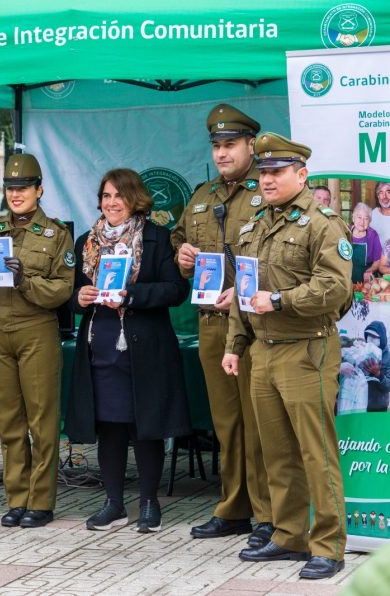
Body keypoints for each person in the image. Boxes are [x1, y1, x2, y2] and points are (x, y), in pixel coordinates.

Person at [222, 132, 352, 580]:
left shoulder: (323, 223)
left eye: (277, 172)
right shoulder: (254, 225)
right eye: (264, 173)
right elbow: (245, 288)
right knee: (276, 453)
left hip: (307, 351)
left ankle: (329, 545)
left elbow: (336, 289)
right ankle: (290, 534)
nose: (268, 180)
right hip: (263, 351)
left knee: (315, 452)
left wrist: (278, 301)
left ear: (302, 174)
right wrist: (235, 345)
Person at [65, 169, 190, 533]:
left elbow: (175, 290)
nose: (111, 203)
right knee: (110, 428)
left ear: (135, 199)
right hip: (100, 347)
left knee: (145, 427)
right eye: (106, 196)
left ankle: (150, 504)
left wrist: (132, 295)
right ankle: (114, 503)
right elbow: (72, 296)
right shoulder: (86, 243)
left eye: (119, 196)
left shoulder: (156, 238)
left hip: (143, 348)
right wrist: (80, 298)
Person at [171, 104, 273, 547]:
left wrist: (251, 293)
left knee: (261, 421)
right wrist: (182, 255)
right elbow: (179, 239)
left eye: (230, 144)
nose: (222, 153)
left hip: (255, 325)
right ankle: (234, 508)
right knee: (227, 423)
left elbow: (282, 256)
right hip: (213, 325)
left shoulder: (268, 192)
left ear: (251, 145)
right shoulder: (201, 197)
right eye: (216, 146)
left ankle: (270, 514)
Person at [0, 153, 74, 528]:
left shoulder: (56, 234)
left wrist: (26, 280)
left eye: (23, 187)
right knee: (9, 420)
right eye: (10, 188)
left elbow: (62, 290)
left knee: (41, 420)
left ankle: (40, 501)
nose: (16, 194)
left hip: (35, 329)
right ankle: (17, 497)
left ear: (39, 190)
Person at [349, 202, 383, 282]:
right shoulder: (345, 232)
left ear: (369, 221)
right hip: (347, 278)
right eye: (359, 217)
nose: (362, 221)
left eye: (366, 218)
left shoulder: (373, 235)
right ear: (353, 218)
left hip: (366, 279)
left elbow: (377, 260)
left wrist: (370, 271)